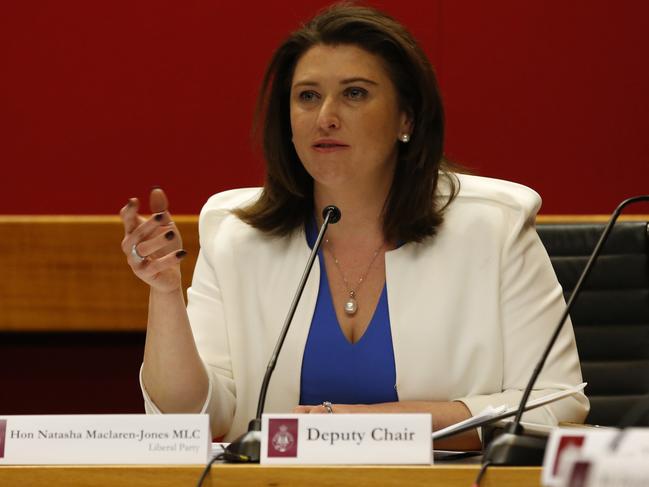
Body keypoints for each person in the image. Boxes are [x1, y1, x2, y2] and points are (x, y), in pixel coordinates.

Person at [119, 4, 588, 450]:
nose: (325, 117)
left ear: (406, 117)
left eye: (355, 93)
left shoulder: (493, 228)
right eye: (307, 96)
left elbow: (559, 404)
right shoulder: (236, 235)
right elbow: (190, 419)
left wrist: (373, 426)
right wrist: (164, 293)